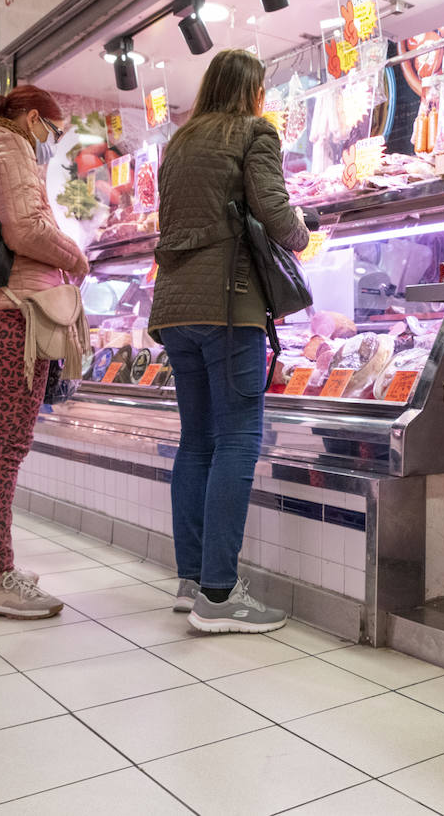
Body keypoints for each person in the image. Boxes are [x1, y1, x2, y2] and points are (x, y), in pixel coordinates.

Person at [149, 49, 312, 634]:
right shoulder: (253, 131)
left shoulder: (180, 142)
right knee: (239, 440)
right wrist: (302, 233)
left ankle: (192, 580)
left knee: (197, 442)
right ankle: (219, 595)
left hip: (175, 307)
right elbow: (273, 209)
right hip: (227, 303)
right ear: (255, 92)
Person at [0, 85, 88, 619]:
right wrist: (75, 257)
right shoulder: (10, 148)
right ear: (32, 119)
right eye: (52, 131)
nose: (51, 141)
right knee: (4, 447)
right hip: (11, 311)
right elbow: (25, 229)